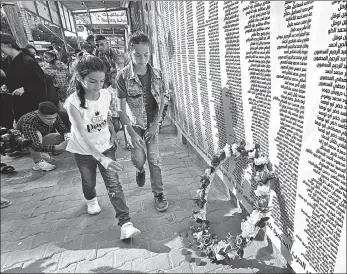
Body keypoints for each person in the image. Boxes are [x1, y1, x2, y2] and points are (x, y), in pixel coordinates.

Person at [64, 55, 141, 240]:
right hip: (84, 151)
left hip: (106, 147)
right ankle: (91, 200)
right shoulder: (72, 103)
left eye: (102, 80)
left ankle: (125, 224)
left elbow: (105, 116)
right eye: (92, 81)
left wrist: (114, 133)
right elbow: (82, 136)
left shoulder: (106, 94)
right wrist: (101, 158)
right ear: (80, 79)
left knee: (114, 183)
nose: (98, 85)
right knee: (88, 182)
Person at [117, 31, 169, 212]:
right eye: (137, 54)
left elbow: (163, 100)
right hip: (134, 126)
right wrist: (131, 133)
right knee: (139, 159)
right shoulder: (122, 76)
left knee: (154, 160)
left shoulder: (157, 74)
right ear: (129, 53)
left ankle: (158, 193)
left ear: (150, 52)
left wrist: (156, 125)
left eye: (146, 54)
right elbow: (121, 110)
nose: (142, 58)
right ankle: (139, 170)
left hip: (152, 125)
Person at [0, 33, 47, 122]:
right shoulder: (7, 61)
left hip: (32, 105)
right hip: (17, 105)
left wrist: (25, 88)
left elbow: (41, 83)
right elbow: (12, 78)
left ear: (9, 45)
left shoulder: (27, 61)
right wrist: (6, 85)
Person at [16, 101, 69, 171]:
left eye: (54, 118)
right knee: (37, 135)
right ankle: (38, 163)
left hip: (41, 140)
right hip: (24, 143)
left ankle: (41, 152)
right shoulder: (29, 119)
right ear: (39, 115)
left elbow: (63, 130)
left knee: (61, 137)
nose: (52, 121)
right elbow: (34, 144)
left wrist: (68, 138)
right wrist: (58, 147)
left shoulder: (54, 115)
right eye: (49, 119)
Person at [107, 68, 131, 150]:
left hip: (123, 113)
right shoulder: (108, 91)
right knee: (116, 127)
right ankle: (113, 137)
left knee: (126, 128)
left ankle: (128, 143)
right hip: (114, 114)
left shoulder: (122, 89)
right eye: (114, 78)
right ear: (110, 79)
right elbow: (107, 104)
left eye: (117, 78)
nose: (116, 80)